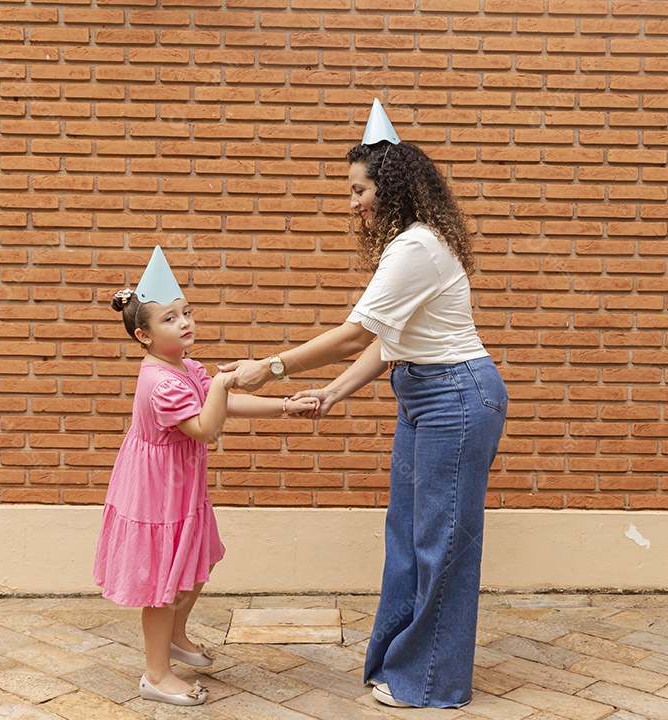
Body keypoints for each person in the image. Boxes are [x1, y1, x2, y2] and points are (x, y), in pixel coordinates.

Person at [218, 99, 508, 709]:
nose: (352, 204)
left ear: (390, 188)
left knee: (441, 543)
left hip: (456, 399)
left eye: (358, 191)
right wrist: (333, 391)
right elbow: (385, 343)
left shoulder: (415, 248)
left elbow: (354, 334)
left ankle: (428, 681)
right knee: (407, 535)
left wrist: (269, 368)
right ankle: (400, 664)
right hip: (431, 397)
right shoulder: (414, 243)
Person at [94, 246, 319, 707]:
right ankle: (155, 674)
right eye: (170, 319)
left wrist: (283, 406)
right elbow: (206, 428)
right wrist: (222, 383)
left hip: (180, 487)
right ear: (144, 335)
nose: (184, 322)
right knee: (162, 582)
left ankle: (175, 637)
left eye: (186, 313)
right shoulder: (161, 383)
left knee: (200, 560)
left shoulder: (184, 368)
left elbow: (221, 403)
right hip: (156, 495)